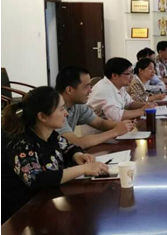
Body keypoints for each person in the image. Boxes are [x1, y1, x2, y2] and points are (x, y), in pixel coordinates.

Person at [1, 86, 109, 223]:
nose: (66, 114)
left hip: (47, 204)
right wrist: (83, 169)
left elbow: (68, 147)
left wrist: (78, 155)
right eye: (61, 109)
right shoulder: (20, 144)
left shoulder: (51, 134)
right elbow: (37, 179)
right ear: (42, 116)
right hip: (22, 216)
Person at [55, 66, 135, 149]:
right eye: (86, 86)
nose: (90, 90)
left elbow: (100, 123)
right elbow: (75, 142)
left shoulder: (77, 105)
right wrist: (115, 132)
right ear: (69, 90)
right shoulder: (54, 110)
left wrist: (124, 125)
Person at [87, 57, 156, 122]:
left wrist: (146, 105)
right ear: (114, 75)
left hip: (114, 126)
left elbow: (130, 103)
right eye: (128, 74)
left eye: (132, 72)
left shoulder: (119, 85)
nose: (132, 76)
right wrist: (142, 111)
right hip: (100, 129)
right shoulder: (103, 90)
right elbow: (116, 116)